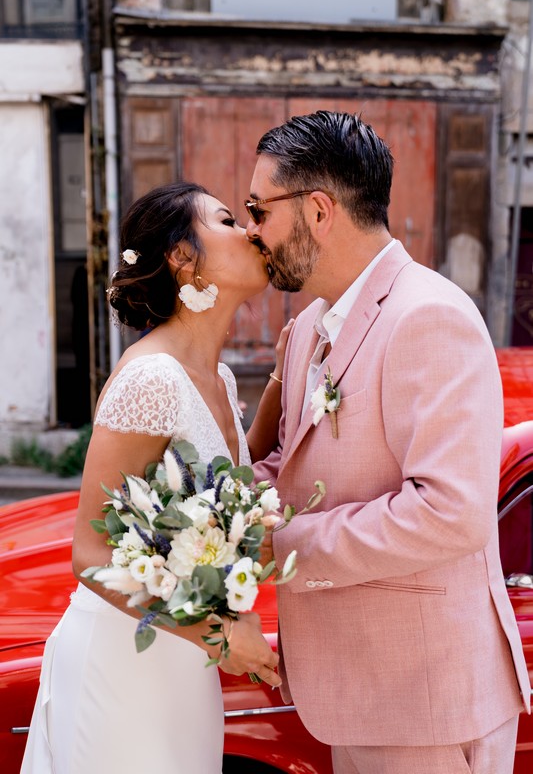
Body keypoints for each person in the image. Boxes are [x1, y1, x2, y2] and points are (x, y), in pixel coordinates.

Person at [248, 110, 531, 774]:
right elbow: (288, 463)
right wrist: (218, 519)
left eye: (258, 210)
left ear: (318, 211)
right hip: (361, 688)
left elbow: (447, 513)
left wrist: (280, 547)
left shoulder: (428, 316)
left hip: (425, 699)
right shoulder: (313, 323)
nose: (252, 231)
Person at [21, 182, 286, 774]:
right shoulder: (152, 379)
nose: (248, 230)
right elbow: (89, 552)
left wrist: (288, 371)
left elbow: (233, 495)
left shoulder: (216, 377)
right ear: (183, 257)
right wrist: (219, 632)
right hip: (125, 662)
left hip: (182, 666)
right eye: (226, 219)